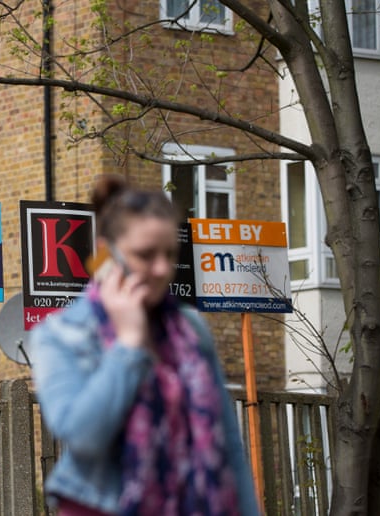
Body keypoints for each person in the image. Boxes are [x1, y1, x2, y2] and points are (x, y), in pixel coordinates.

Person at [29, 175, 260, 516]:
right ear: (107, 252)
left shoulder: (190, 327)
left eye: (169, 254)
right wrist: (128, 345)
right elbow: (82, 436)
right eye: (145, 255)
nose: (162, 268)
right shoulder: (61, 334)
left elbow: (227, 442)